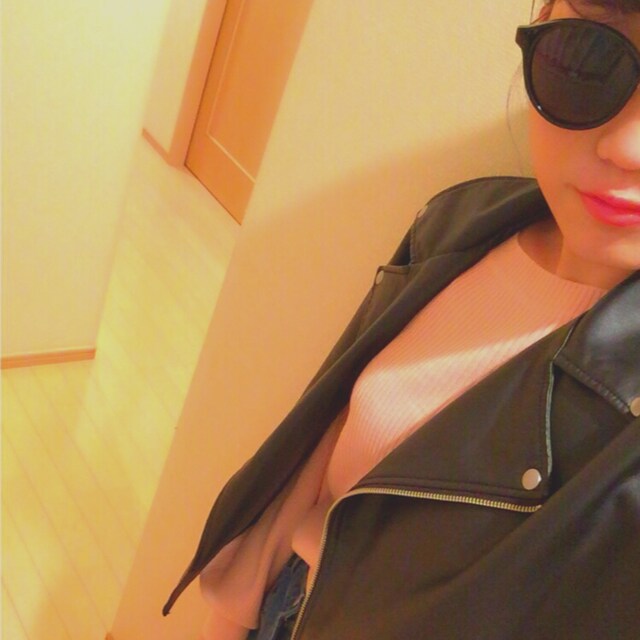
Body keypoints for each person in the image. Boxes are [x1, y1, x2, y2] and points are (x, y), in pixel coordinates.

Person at [164, 1, 640, 638]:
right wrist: (231, 614)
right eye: (588, 57)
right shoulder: (459, 221)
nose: (626, 147)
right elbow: (324, 450)